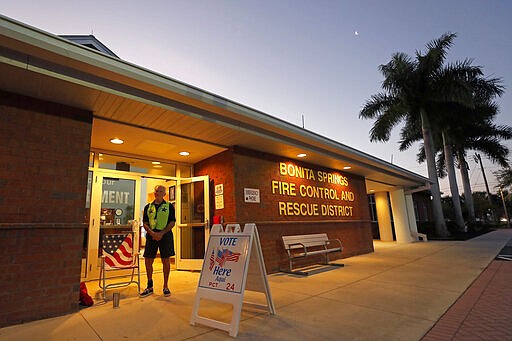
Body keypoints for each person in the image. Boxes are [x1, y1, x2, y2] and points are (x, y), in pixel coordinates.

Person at [140, 185, 176, 297]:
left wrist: (161, 233)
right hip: (151, 236)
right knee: (148, 260)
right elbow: (145, 222)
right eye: (156, 191)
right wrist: (152, 233)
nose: (157, 193)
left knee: (166, 260)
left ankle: (166, 286)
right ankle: (149, 285)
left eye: (160, 191)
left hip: (165, 235)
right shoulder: (148, 207)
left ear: (164, 194)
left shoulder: (169, 206)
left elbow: (172, 222)